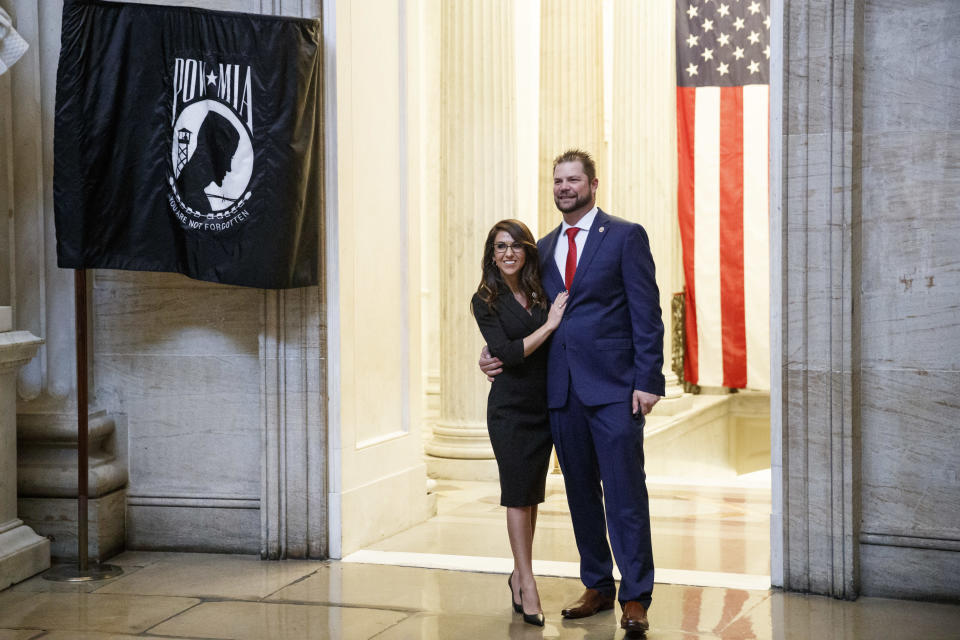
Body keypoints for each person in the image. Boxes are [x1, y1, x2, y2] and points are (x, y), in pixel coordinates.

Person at [480, 149, 664, 634]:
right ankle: (598, 585)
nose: (564, 187)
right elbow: (525, 315)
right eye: (558, 180)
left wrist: (649, 380)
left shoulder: (625, 236)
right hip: (560, 393)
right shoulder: (541, 248)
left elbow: (647, 312)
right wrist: (491, 352)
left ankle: (636, 594)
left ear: (593, 184)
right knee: (581, 493)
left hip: (615, 390)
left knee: (625, 492)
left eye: (574, 179)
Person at [470, 219, 569, 627]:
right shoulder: (484, 299)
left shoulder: (540, 289)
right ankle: (527, 581)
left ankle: (517, 574)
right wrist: (549, 325)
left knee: (531, 495)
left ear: (527, 251)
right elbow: (508, 354)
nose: (507, 253)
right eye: (499, 247)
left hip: (543, 405)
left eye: (514, 246)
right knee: (515, 494)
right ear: (491, 255)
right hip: (509, 409)